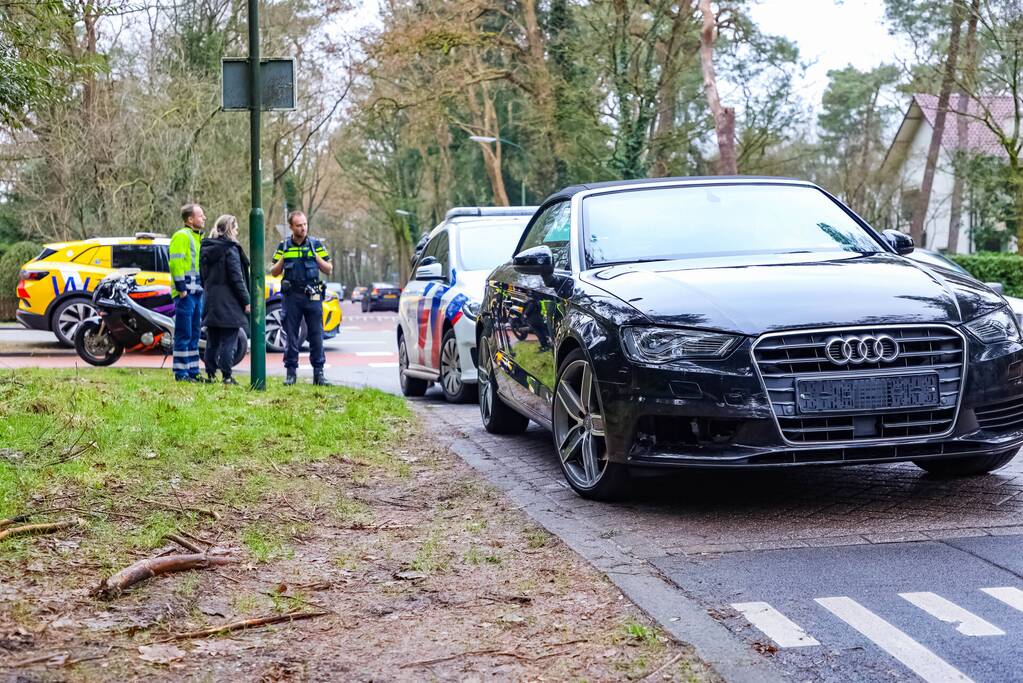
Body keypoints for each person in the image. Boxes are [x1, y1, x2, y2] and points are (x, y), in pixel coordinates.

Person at [270, 210, 332, 386]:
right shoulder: (284, 245)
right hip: (292, 295)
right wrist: (283, 258)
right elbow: (274, 272)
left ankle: (319, 374)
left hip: (313, 293)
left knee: (316, 334)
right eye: (299, 225)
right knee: (291, 335)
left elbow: (329, 269)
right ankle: (291, 374)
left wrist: (316, 256)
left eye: (305, 224)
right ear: (291, 227)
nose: (303, 228)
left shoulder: (315, 244)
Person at [200, 214, 250, 385]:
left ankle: (210, 374)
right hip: (229, 302)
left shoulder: (206, 248)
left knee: (212, 340)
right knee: (230, 340)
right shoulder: (230, 249)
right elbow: (237, 279)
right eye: (236, 228)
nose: (237, 232)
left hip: (211, 300)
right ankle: (227, 376)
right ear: (230, 229)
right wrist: (246, 300)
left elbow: (202, 276)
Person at [169, 203, 206, 382]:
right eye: (200, 215)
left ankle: (193, 371)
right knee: (184, 334)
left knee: (194, 335)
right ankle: (181, 373)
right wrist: (181, 289)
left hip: (197, 292)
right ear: (190, 219)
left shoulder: (197, 237)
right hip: (186, 294)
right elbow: (175, 263)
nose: (204, 218)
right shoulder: (181, 236)